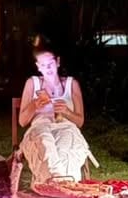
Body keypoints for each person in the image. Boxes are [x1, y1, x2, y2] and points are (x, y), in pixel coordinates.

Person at [16, 41, 98, 186]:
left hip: (66, 127)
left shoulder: (71, 84)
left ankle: (60, 187)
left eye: (50, 64)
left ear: (58, 62)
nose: (47, 68)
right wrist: (34, 105)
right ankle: (61, 184)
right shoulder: (32, 83)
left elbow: (79, 122)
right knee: (45, 144)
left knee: (66, 150)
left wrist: (66, 111)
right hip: (40, 126)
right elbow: (22, 121)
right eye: (43, 65)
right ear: (38, 67)